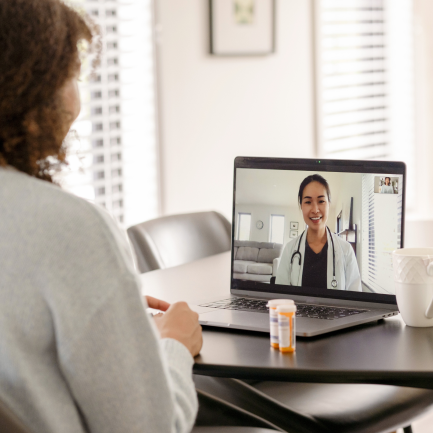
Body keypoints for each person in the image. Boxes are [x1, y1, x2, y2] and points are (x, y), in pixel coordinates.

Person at [0, 1, 202, 432]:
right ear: (32, 89)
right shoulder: (68, 227)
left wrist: (106, 314)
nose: (77, 101)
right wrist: (174, 344)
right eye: (72, 77)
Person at [276, 174, 361, 292]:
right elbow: (281, 297)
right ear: (301, 206)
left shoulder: (346, 250)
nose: (315, 210)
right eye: (308, 202)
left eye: (321, 201)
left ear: (329, 204)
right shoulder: (290, 250)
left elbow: (355, 301)